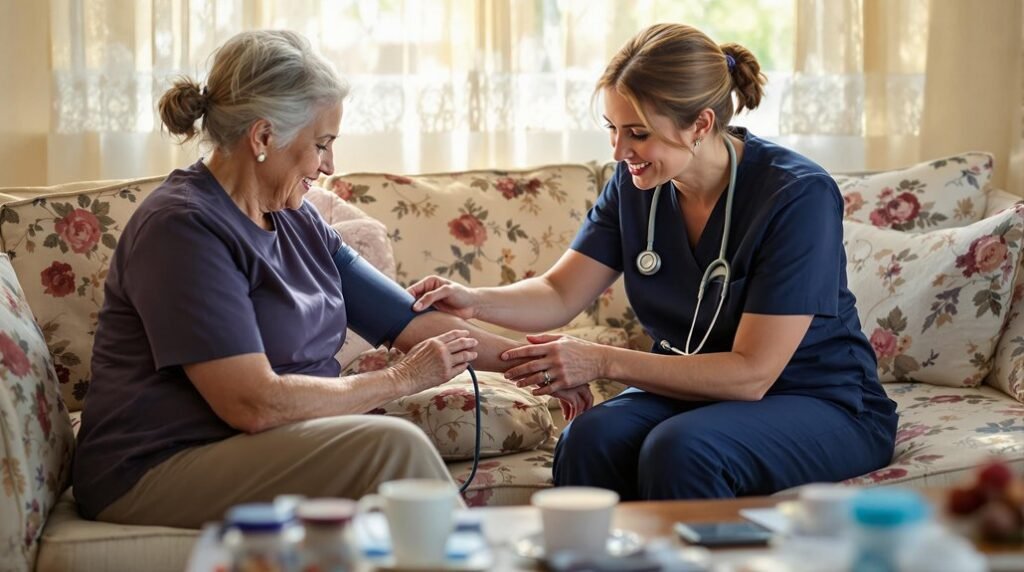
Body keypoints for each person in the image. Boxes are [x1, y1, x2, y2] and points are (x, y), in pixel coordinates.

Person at [71, 30, 591, 528]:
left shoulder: (298, 219)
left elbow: (411, 323)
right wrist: (400, 379)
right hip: (158, 465)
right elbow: (252, 402)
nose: (330, 165)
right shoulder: (184, 229)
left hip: (257, 444)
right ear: (264, 136)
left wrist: (545, 364)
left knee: (385, 450)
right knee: (392, 445)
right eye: (322, 144)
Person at [408, 23, 899, 500]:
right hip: (696, 391)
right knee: (589, 438)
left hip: (817, 400)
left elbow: (753, 374)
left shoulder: (796, 195)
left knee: (685, 450)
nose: (620, 152)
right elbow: (560, 293)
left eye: (637, 134)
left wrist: (599, 359)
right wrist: (473, 300)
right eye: (612, 130)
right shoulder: (634, 186)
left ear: (700, 124)